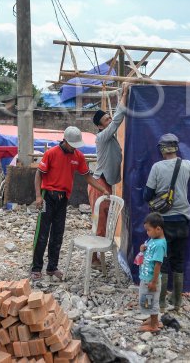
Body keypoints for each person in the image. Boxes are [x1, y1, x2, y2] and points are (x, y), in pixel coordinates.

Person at [31, 126, 109, 281]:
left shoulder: (78, 156)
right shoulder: (51, 153)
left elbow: (88, 177)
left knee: (58, 234)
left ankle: (52, 268)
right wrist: (38, 196)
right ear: (65, 140)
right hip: (48, 196)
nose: (74, 147)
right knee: (42, 233)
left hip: (63, 198)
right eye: (72, 144)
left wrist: (103, 189)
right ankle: (36, 268)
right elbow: (38, 174)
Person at [143, 133, 190, 311]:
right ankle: (177, 302)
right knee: (178, 260)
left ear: (162, 149)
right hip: (182, 220)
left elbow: (146, 195)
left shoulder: (157, 167)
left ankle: (160, 303)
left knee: (161, 260)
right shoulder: (187, 165)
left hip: (163, 222)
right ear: (176, 148)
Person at [90, 82, 130, 266]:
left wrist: (122, 93)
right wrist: (123, 95)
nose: (110, 120)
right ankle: (95, 257)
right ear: (100, 126)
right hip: (99, 184)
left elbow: (115, 120)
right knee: (100, 221)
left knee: (102, 220)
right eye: (106, 120)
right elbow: (117, 121)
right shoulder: (102, 136)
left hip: (104, 182)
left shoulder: (107, 136)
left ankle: (97, 255)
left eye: (108, 118)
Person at [138, 212, 167, 333]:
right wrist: (142, 249)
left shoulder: (160, 245)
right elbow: (148, 250)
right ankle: (152, 319)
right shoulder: (153, 239)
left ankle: (154, 325)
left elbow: (157, 264)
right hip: (146, 277)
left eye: (148, 230)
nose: (147, 233)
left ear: (158, 229)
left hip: (151, 279)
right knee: (147, 299)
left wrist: (154, 282)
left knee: (152, 300)